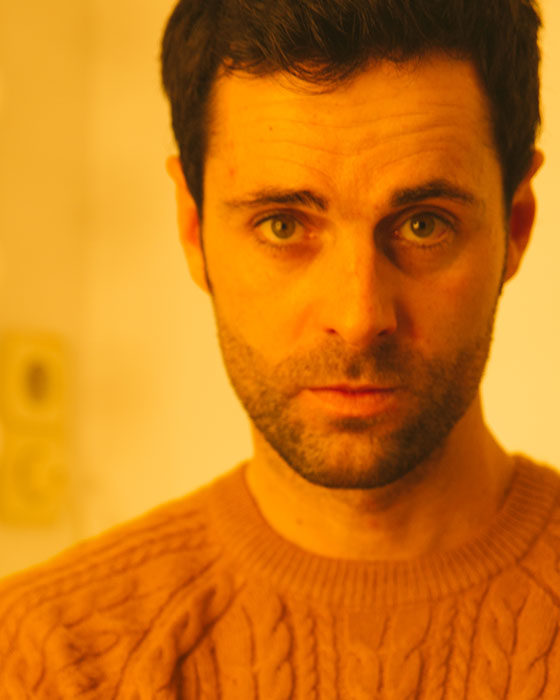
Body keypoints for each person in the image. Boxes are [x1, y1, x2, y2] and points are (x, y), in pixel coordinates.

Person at [1, 0, 559, 696]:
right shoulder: (47, 658)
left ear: (516, 225)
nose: (358, 317)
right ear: (193, 229)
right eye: (283, 226)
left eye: (423, 225)